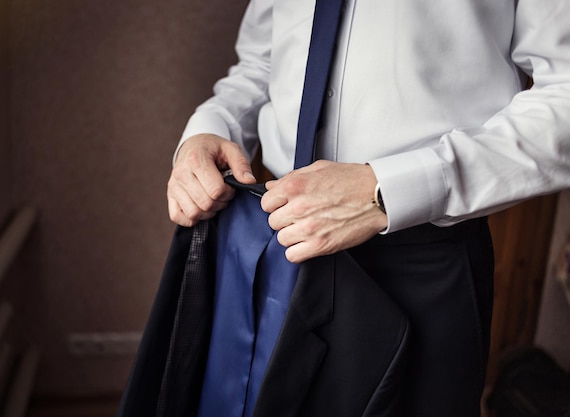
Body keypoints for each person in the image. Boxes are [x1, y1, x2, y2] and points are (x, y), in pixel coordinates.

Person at [165, 0, 570, 415]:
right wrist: (212, 125)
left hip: (425, 266)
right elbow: (260, 63)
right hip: (279, 240)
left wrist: (384, 190)